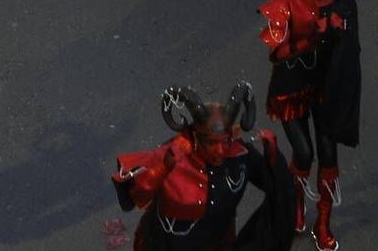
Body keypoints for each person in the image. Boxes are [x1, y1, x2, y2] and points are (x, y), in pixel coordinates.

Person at [257, 0, 361, 250]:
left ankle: (324, 222)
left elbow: (353, 52)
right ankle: (297, 205)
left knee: (329, 155)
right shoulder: (290, 0)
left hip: (327, 88)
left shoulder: (346, 0)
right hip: (293, 87)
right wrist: (312, 37)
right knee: (304, 153)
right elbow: (276, 53)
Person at [110, 82, 298, 250]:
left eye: (225, 141)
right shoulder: (173, 155)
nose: (220, 151)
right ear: (197, 136)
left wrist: (273, 156)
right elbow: (137, 194)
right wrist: (163, 167)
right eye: (211, 142)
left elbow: (278, 189)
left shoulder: (240, 156)